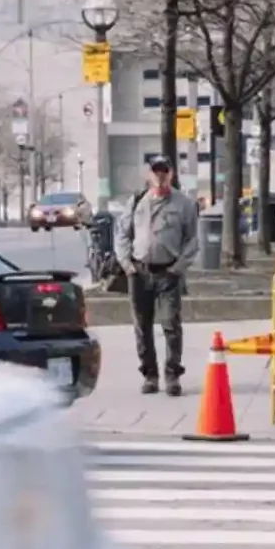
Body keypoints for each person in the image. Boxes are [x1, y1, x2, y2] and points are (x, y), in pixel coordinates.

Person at [114, 157, 200, 397]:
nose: (160, 176)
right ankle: (149, 375)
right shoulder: (137, 201)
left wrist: (178, 268)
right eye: (156, 172)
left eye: (164, 171)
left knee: (171, 324)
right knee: (142, 326)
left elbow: (192, 241)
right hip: (139, 272)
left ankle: (172, 375)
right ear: (148, 175)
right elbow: (122, 233)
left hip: (168, 273)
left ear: (171, 174)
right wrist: (127, 264)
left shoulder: (184, 204)